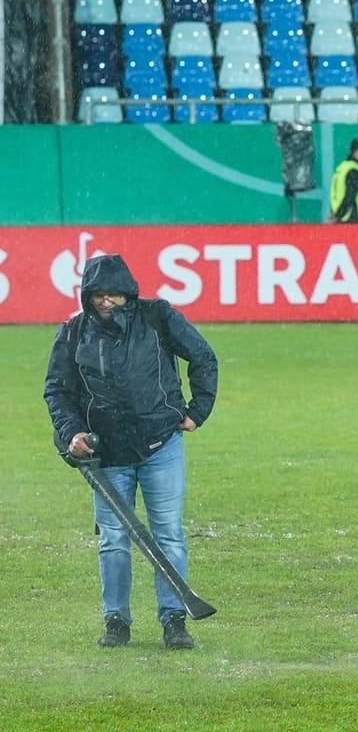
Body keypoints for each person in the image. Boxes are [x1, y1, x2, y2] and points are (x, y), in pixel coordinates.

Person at [44, 253, 218, 649]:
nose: (107, 302)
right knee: (113, 539)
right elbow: (57, 390)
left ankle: (175, 619)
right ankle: (116, 620)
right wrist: (71, 432)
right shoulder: (72, 334)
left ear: (129, 292)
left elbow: (203, 357)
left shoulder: (158, 317)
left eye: (115, 295)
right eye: (99, 295)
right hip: (107, 458)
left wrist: (197, 412)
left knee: (169, 535)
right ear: (87, 296)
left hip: (161, 446)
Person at [329, 135, 358, 223]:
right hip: (354, 221)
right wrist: (339, 214)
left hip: (342, 219)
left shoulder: (342, 168)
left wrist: (337, 215)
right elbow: (349, 195)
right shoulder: (354, 171)